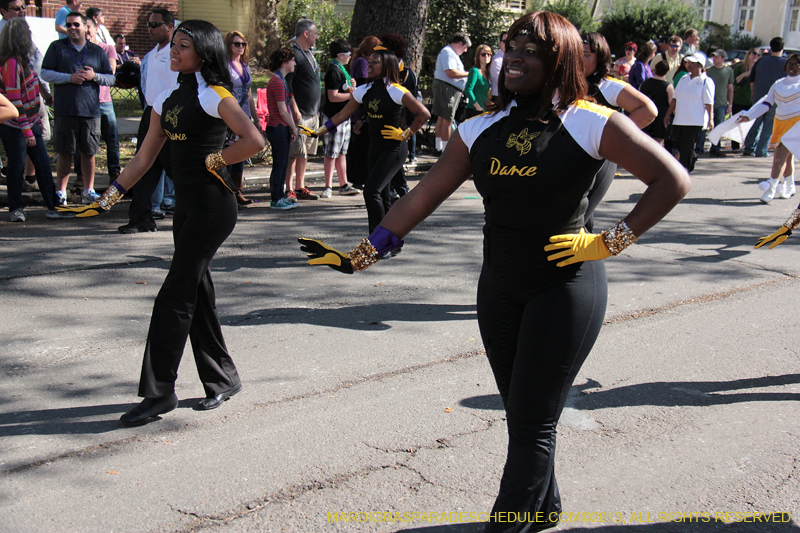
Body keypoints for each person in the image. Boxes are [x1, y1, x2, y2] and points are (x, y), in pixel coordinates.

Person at [298, 12, 690, 531]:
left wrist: (606, 243)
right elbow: (422, 197)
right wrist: (358, 256)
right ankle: (543, 507)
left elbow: (672, 180)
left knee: (532, 420)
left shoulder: (589, 121)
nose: (518, 55)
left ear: (561, 60)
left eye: (534, 48)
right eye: (513, 45)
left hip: (566, 288)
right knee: (524, 413)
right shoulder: (479, 128)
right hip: (499, 287)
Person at [59, 20, 265, 427]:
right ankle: (223, 378)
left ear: (203, 53)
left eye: (183, 46)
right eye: (174, 44)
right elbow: (143, 159)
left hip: (212, 207)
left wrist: (218, 159)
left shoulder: (215, 96)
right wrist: (106, 199)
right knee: (196, 290)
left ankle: (159, 393)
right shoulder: (166, 98)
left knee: (174, 294)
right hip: (186, 208)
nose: (174, 51)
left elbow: (254, 142)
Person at [302, 42, 430, 233]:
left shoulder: (397, 91)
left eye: (374, 62)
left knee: (371, 191)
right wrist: (317, 132)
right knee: (383, 196)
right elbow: (340, 116)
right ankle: (391, 242)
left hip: (393, 149)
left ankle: (376, 241)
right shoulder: (363, 91)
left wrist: (405, 134)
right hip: (375, 148)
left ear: (386, 66)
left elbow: (423, 114)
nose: (368, 65)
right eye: (369, 61)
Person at [582, 31, 657, 230]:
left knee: (576, 223)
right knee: (580, 221)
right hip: (573, 161)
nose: (580, 60)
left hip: (599, 162)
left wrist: (616, 136)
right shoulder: (571, 84)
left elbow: (649, 111)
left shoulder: (607, 86)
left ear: (601, 57)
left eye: (587, 55)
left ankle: (599, 251)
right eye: (577, 54)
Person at [40, 11, 115, 206]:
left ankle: (88, 191)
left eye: (76, 25)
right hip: (65, 109)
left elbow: (111, 78)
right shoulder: (57, 48)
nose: (72, 28)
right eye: (69, 25)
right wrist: (68, 78)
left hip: (90, 110)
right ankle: (61, 192)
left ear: (85, 27)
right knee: (64, 152)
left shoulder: (96, 51)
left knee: (89, 152)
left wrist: (94, 76)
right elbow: (45, 73)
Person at [118, 9, 178, 233]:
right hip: (151, 112)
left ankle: (200, 212)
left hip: (170, 115)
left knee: (177, 169)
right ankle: (140, 217)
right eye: (149, 25)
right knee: (144, 166)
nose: (151, 29)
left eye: (156, 25)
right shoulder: (151, 53)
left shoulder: (176, 52)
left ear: (170, 26)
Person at [0, 19, 61, 222]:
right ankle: (16, 208)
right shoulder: (10, 63)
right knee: (16, 166)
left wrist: (45, 95)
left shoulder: (22, 60)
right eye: (27, 32)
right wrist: (27, 131)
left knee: (43, 164)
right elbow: (14, 97)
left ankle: (53, 205)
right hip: (15, 125)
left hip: (30, 121)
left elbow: (32, 84)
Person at [738, 54, 800, 203]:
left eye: (796, 64)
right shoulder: (778, 84)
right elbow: (767, 104)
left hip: (797, 125)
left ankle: (771, 187)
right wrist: (750, 116)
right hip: (780, 123)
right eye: (790, 64)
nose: (792, 67)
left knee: (779, 157)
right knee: (787, 156)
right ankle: (790, 186)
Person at [285, 17, 321, 201]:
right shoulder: (294, 54)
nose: (316, 37)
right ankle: (288, 188)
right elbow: (288, 84)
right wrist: (295, 109)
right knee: (294, 151)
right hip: (299, 112)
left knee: (305, 152)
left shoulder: (309, 53)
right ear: (305, 34)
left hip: (313, 112)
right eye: (314, 34)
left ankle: (300, 186)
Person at [224, 30, 260, 206]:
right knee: (230, 153)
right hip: (230, 115)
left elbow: (250, 94)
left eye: (243, 44)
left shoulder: (245, 66)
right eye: (236, 44)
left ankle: (237, 191)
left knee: (242, 153)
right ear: (229, 46)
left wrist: (256, 118)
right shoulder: (225, 66)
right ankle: (226, 193)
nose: (240, 47)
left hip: (245, 115)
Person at [320, 38, 358, 198]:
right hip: (334, 117)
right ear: (340, 55)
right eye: (348, 55)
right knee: (331, 152)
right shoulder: (334, 71)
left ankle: (343, 184)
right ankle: (328, 186)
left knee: (342, 152)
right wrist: (351, 95)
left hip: (344, 116)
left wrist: (352, 86)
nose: (350, 58)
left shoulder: (342, 69)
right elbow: (333, 96)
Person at [664, 53, 714, 173]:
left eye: (693, 63)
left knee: (687, 146)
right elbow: (675, 98)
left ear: (700, 65)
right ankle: (692, 157)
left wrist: (711, 119)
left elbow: (709, 102)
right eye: (688, 63)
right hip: (679, 119)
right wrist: (668, 114)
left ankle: (684, 169)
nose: (689, 65)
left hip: (694, 120)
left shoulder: (706, 81)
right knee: (676, 142)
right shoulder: (683, 79)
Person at [265, 47, 299, 210]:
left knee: (283, 163)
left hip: (281, 126)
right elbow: (283, 110)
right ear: (284, 63)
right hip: (277, 127)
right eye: (292, 60)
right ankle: (276, 198)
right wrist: (294, 127)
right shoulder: (277, 81)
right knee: (279, 164)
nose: (295, 63)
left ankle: (280, 196)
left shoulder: (281, 80)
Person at [744, 37, 787, 158]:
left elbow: (752, 79)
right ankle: (761, 150)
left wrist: (753, 93)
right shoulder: (786, 63)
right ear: (782, 48)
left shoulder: (761, 61)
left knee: (754, 122)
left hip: (759, 96)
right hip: (775, 98)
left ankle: (749, 147)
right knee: (768, 125)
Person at [346, 36, 378, 191]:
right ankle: (359, 178)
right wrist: (362, 116)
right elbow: (364, 89)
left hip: (360, 112)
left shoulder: (358, 61)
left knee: (360, 147)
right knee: (361, 148)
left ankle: (360, 177)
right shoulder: (362, 63)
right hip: (361, 112)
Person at [432, 32, 470, 154]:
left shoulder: (449, 52)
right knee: (447, 120)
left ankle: (439, 147)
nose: (465, 51)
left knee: (442, 119)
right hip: (448, 89)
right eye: (465, 47)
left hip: (447, 88)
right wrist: (469, 73)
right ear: (460, 43)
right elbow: (451, 73)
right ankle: (446, 151)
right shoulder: (448, 52)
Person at [704, 50, 734, 156]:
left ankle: (715, 148)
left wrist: (730, 104)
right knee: (704, 126)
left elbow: (730, 88)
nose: (714, 59)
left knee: (718, 126)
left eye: (717, 57)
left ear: (723, 59)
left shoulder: (728, 71)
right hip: (707, 103)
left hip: (721, 103)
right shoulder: (707, 71)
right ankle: (699, 148)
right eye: (713, 57)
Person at [731, 47, 761, 151]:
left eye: (758, 55)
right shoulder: (739, 68)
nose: (755, 56)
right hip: (738, 99)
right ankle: (735, 146)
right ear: (748, 54)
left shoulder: (759, 69)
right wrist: (746, 74)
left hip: (752, 100)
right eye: (754, 53)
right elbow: (734, 82)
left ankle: (747, 145)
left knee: (750, 124)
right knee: (736, 122)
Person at [639, 60, 674, 145]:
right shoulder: (668, 86)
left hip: (646, 115)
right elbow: (672, 104)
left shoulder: (644, 84)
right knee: (658, 143)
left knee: (645, 142)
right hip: (661, 118)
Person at [464, 44, 492, 119]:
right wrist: (477, 106)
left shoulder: (487, 73)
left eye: (488, 54)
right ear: (478, 57)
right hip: (474, 110)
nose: (486, 56)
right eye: (483, 54)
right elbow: (468, 90)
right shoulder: (474, 71)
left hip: (484, 111)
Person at [488, 31, 507, 103]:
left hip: (508, 97)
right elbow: (500, 79)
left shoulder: (511, 58)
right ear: (500, 43)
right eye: (505, 41)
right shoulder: (496, 60)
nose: (507, 44)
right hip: (499, 97)